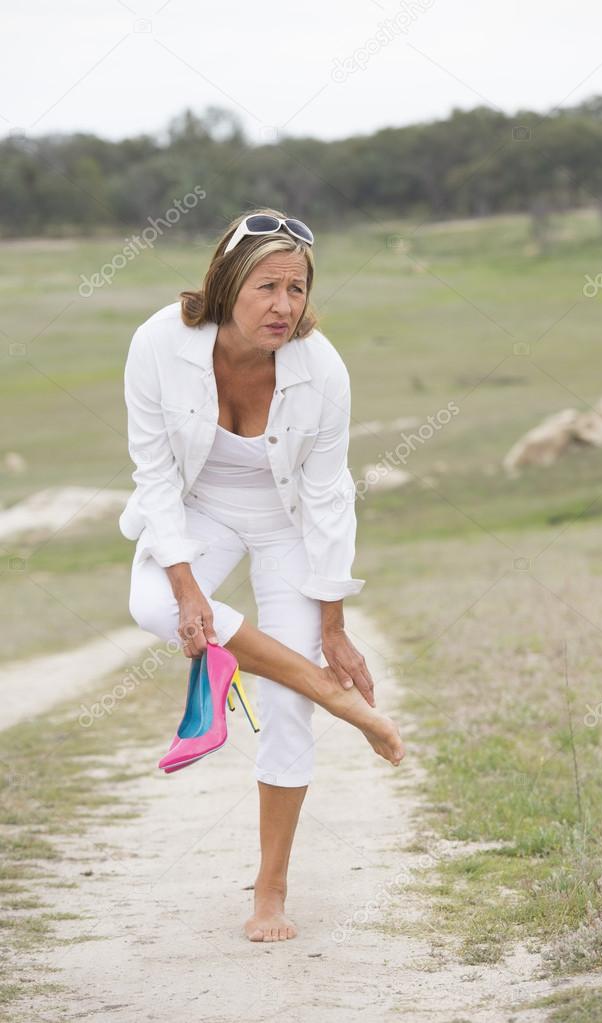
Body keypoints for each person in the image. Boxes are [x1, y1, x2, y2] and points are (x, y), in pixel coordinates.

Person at [121, 207, 405, 943]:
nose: (284, 306)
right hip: (198, 510)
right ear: (226, 282)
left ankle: (270, 891)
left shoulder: (322, 368)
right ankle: (322, 691)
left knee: (283, 707)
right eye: (266, 287)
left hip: (287, 524)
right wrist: (188, 590)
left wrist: (333, 626)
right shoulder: (158, 342)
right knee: (150, 601)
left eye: (298, 289)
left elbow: (327, 496)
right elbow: (153, 476)